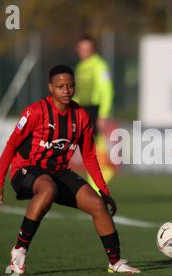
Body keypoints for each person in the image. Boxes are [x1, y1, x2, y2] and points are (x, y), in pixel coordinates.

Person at [0, 65, 140, 275]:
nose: (66, 90)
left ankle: (115, 262)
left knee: (97, 205)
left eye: (70, 86)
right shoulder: (35, 112)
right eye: (60, 86)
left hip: (58, 172)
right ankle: (20, 249)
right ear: (51, 88)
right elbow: (11, 146)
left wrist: (104, 191)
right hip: (26, 169)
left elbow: (89, 156)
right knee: (48, 189)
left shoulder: (81, 116)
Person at [73, 35, 117, 188]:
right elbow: (78, 92)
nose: (84, 52)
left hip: (95, 109)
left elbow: (106, 91)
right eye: (82, 49)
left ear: (93, 49)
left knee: (93, 145)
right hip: (83, 109)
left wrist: (103, 115)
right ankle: (97, 178)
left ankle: (101, 175)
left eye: (88, 49)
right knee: (88, 146)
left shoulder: (100, 66)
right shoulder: (80, 67)